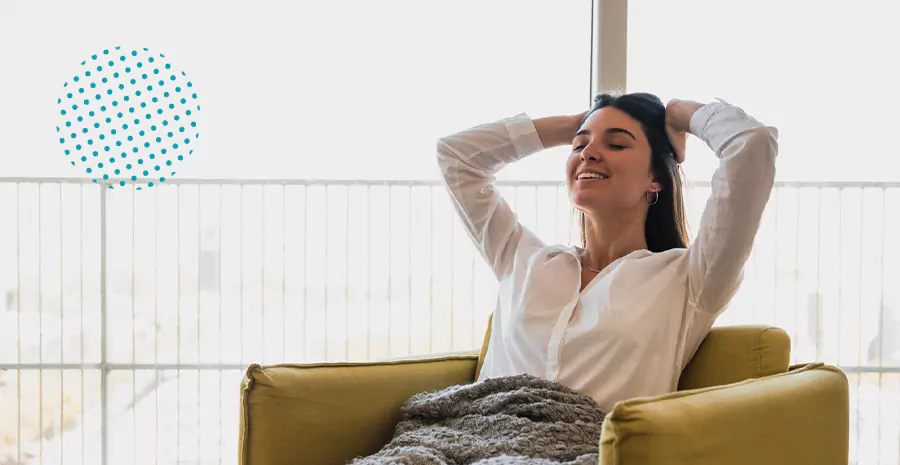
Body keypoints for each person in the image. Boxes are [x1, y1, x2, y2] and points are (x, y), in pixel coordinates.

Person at [435, 92, 778, 413]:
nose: (588, 152)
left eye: (615, 143)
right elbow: (456, 156)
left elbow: (751, 145)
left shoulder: (690, 280)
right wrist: (572, 123)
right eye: (579, 145)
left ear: (655, 178)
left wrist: (679, 114)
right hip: (472, 436)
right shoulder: (522, 258)